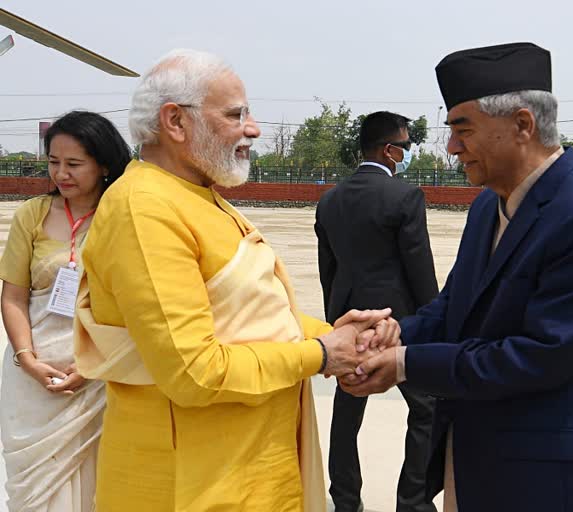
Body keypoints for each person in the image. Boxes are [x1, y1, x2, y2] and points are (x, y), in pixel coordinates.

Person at [72, 49, 398, 512]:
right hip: (189, 483)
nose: (253, 128)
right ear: (175, 122)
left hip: (253, 470)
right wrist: (323, 354)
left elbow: (254, 314)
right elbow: (193, 374)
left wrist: (344, 337)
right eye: (235, 114)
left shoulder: (199, 197)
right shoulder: (144, 208)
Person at [340, 42, 573, 511]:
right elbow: (455, 307)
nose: (451, 147)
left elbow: (541, 356)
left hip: (551, 481)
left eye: (463, 130)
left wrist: (404, 363)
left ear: (522, 125)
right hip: (475, 461)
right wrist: (392, 332)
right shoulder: (488, 206)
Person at [0, 110, 130, 511]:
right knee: (34, 492)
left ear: (103, 164)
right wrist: (28, 360)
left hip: (98, 374)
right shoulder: (32, 214)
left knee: (96, 483)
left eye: (74, 164)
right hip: (31, 377)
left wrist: (93, 364)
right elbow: (13, 297)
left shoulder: (124, 218)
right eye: (54, 162)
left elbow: (132, 306)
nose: (61, 173)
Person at [315, 111, 438, 512]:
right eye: (405, 146)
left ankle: (346, 502)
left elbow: (327, 270)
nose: (405, 153)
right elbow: (418, 265)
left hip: (349, 325)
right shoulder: (404, 196)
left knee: (347, 415)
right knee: (425, 409)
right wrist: (431, 320)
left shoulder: (330, 200)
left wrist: (337, 326)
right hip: (395, 326)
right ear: (389, 150)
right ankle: (413, 501)